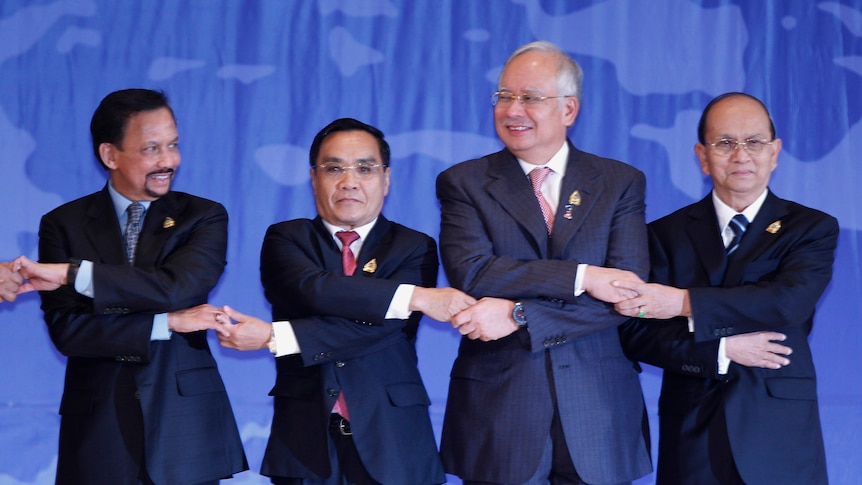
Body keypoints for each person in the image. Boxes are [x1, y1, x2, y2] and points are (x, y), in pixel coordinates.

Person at [436, 41, 652, 485]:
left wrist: (518, 314)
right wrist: (584, 277)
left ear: (568, 109)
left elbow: (626, 294)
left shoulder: (619, 183)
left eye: (530, 97)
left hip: (599, 408)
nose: (513, 109)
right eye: (504, 96)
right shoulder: (464, 182)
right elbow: (475, 272)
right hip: (500, 409)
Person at [217, 117, 474, 485]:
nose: (349, 181)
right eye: (334, 168)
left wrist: (275, 337)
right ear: (314, 178)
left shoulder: (413, 246)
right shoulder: (287, 239)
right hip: (305, 439)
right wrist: (415, 297)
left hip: (394, 439)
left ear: (386, 179)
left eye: (365, 168)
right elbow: (312, 288)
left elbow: (383, 330)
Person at [13, 88, 247, 484]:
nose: (168, 161)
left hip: (184, 427)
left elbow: (177, 287)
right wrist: (167, 323)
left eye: (173, 145)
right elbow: (70, 332)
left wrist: (75, 275)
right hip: (99, 429)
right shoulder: (63, 224)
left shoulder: (203, 216)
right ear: (110, 155)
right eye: (151, 148)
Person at [616, 92, 836, 484]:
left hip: (779, 431)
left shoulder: (811, 228)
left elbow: (787, 303)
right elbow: (636, 333)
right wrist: (721, 350)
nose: (741, 155)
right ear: (702, 156)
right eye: (725, 143)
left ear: (775, 152)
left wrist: (683, 303)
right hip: (693, 429)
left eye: (754, 142)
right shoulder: (663, 235)